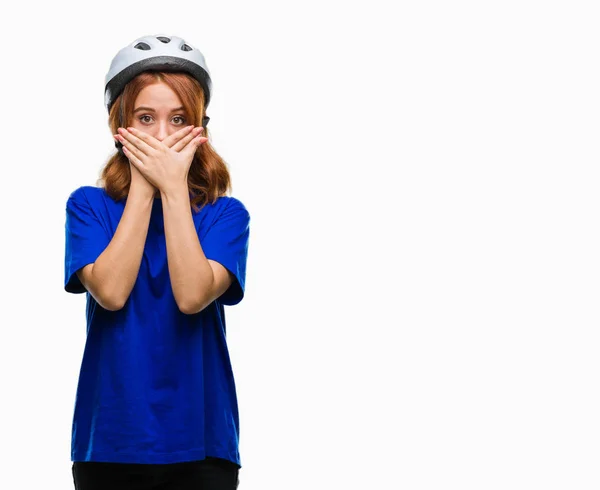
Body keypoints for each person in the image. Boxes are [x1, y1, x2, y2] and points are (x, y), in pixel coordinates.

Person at [63, 34, 250, 490]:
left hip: (203, 442)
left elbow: (191, 296)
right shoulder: (88, 207)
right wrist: (146, 186)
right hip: (108, 440)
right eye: (145, 119)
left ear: (199, 128)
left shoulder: (226, 215)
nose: (162, 136)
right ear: (118, 126)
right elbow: (110, 292)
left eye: (178, 119)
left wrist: (172, 189)